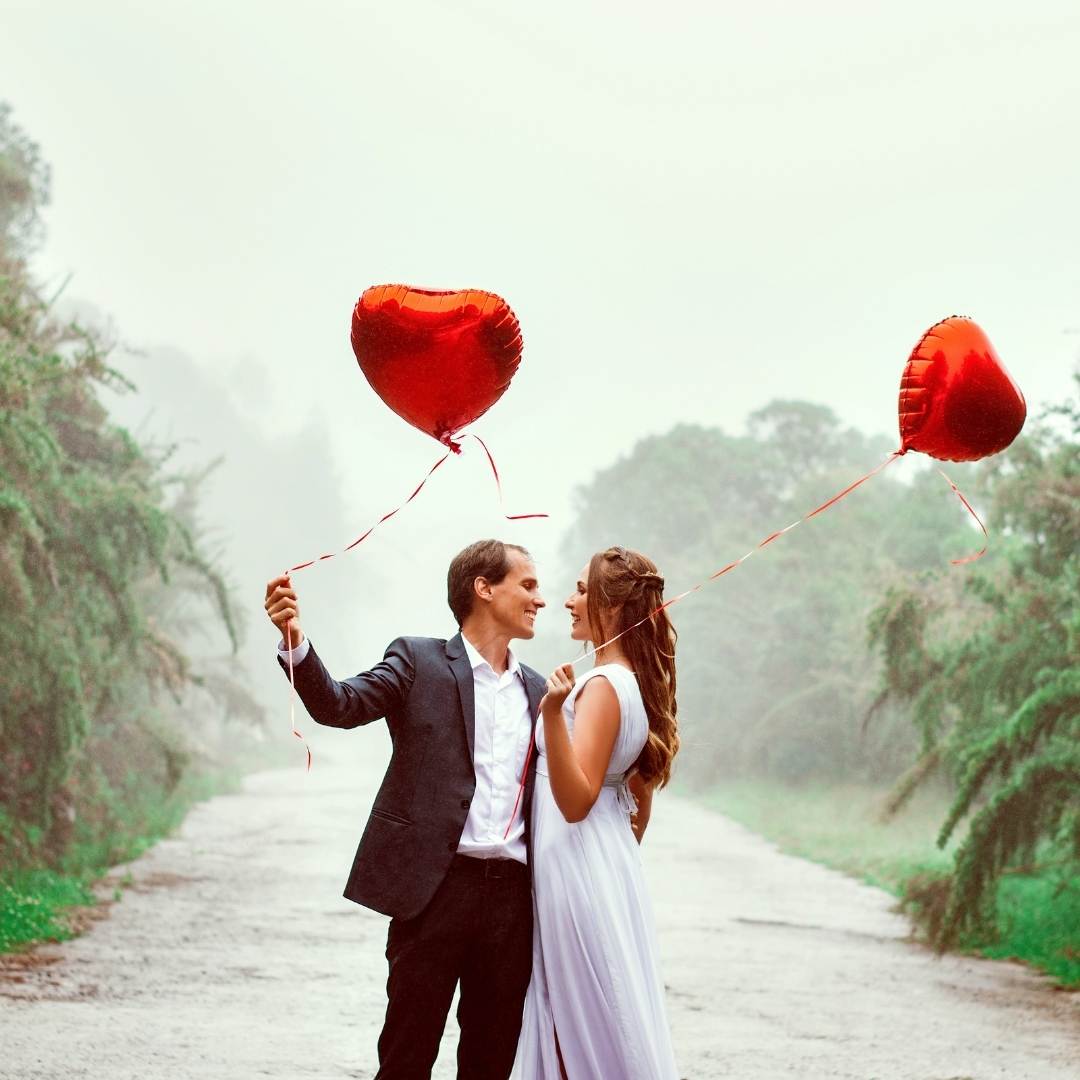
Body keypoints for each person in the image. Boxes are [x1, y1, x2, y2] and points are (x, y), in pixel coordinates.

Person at [264, 539, 547, 1080]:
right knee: (406, 1056)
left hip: (512, 902)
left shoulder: (540, 691)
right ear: (483, 589)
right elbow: (339, 707)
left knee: (491, 1061)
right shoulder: (418, 661)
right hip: (433, 893)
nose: (540, 599)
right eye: (528, 585)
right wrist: (295, 642)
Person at [512, 546, 681, 1080]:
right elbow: (637, 803)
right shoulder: (628, 682)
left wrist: (554, 714)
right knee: (594, 1009)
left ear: (612, 604)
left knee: (575, 1016)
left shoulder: (604, 687)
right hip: (600, 864)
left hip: (574, 865)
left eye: (582, 590)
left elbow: (576, 800)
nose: (567, 601)